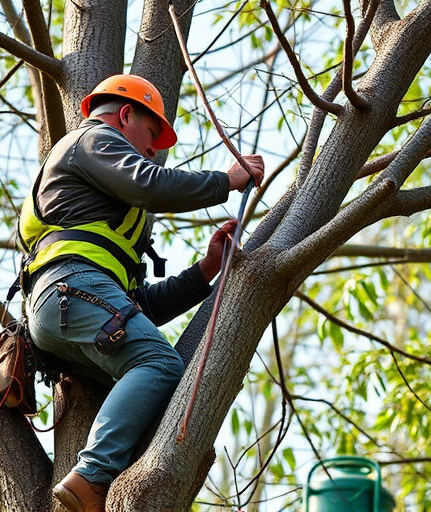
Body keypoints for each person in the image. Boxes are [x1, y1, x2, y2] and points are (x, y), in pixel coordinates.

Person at [18, 73, 264, 512]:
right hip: (69, 288)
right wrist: (225, 182)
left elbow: (137, 306)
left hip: (69, 304)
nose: (154, 150)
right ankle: (92, 476)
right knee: (158, 361)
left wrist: (205, 270)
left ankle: (105, 477)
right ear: (126, 114)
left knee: (146, 366)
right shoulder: (93, 140)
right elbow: (149, 182)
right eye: (152, 135)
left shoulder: (103, 215)